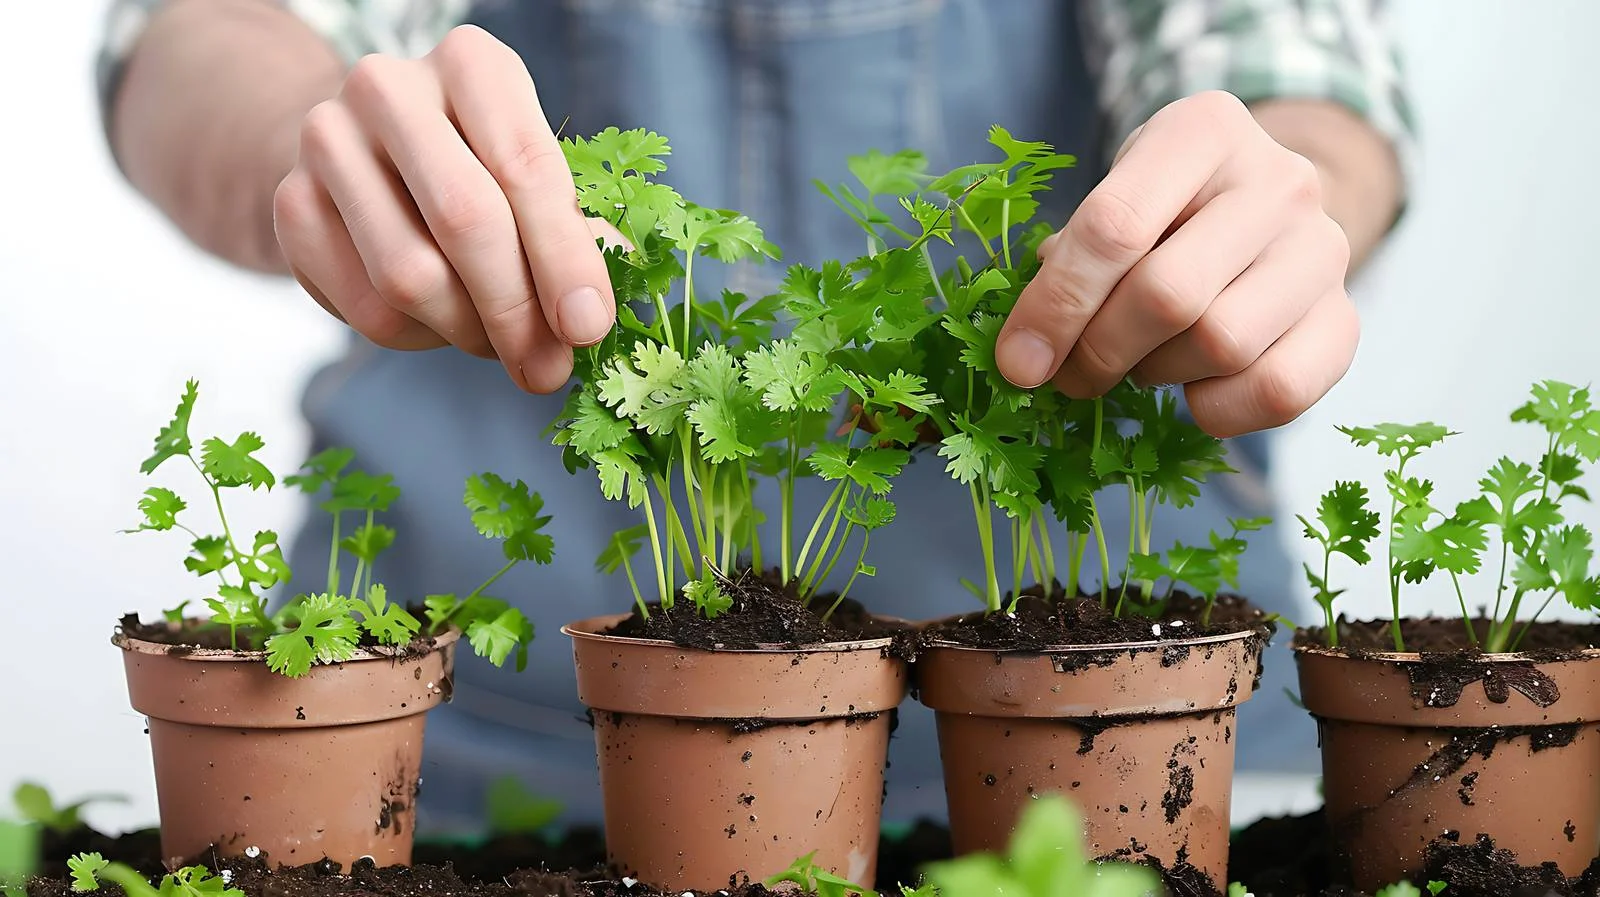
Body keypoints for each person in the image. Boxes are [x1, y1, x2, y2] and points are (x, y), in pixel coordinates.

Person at [97, 0, 1410, 832]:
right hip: (472, 742)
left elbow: (1290, 62)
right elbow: (199, 35)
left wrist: (1289, 192)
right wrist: (310, 144)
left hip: (1127, 742)